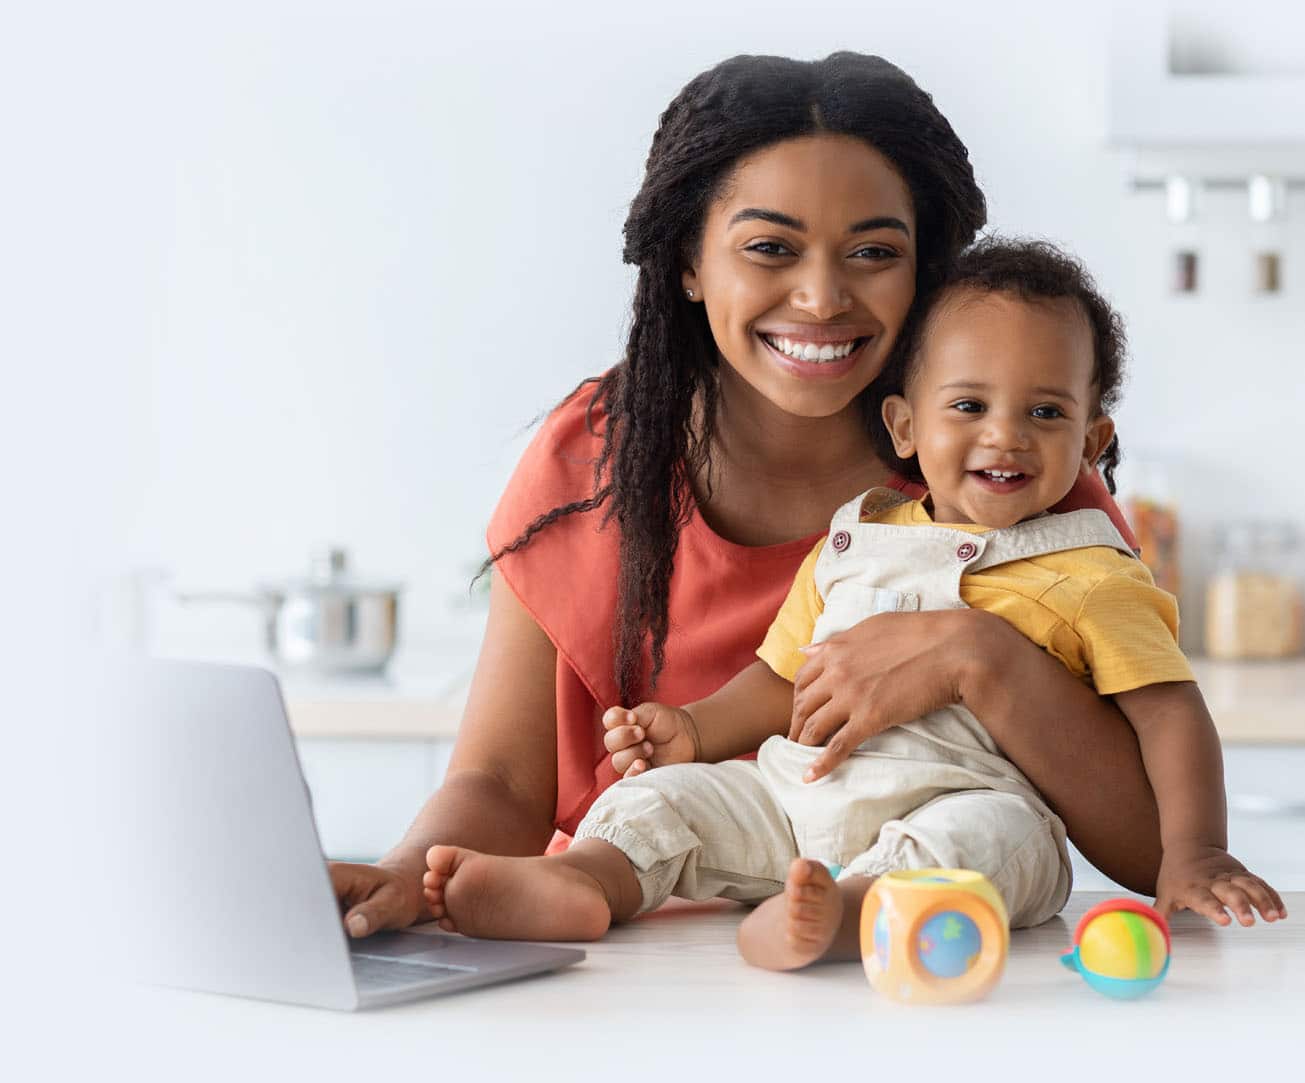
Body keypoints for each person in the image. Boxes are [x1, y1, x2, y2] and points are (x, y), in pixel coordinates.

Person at [331, 52, 1174, 942]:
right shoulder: (594, 453)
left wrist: (979, 656)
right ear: (689, 262)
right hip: (615, 973)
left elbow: (1153, 845)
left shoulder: (1003, 475)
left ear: (923, 272)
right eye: (769, 248)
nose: (820, 296)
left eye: (874, 252)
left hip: (898, 967)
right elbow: (501, 783)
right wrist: (402, 879)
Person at [417, 238, 1287, 968]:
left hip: (950, 805)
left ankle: (851, 913)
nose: (1005, 434)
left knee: (1000, 840)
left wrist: (1194, 851)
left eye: (1046, 411)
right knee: (673, 798)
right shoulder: (853, 538)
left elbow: (1170, 713)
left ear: (1093, 440)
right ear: (906, 427)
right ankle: (587, 880)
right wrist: (690, 730)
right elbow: (777, 678)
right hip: (795, 798)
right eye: (968, 405)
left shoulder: (1095, 574)